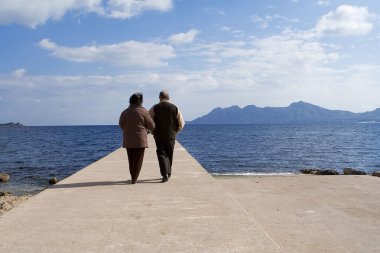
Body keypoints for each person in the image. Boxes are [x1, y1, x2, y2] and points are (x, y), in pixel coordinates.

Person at [119, 92, 155, 184]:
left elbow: (121, 124)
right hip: (140, 140)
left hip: (128, 139)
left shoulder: (124, 112)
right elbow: (152, 126)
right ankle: (134, 179)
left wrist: (128, 130)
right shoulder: (144, 111)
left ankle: (132, 177)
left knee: (131, 160)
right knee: (138, 160)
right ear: (140, 101)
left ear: (130, 101)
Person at [150, 91, 185, 182]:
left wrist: (152, 131)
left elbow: (149, 122)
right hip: (171, 135)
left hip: (158, 135)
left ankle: (164, 173)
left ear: (159, 97)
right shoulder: (175, 108)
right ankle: (168, 173)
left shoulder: (154, 108)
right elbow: (181, 122)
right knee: (169, 154)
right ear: (168, 97)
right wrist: (176, 131)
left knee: (161, 154)